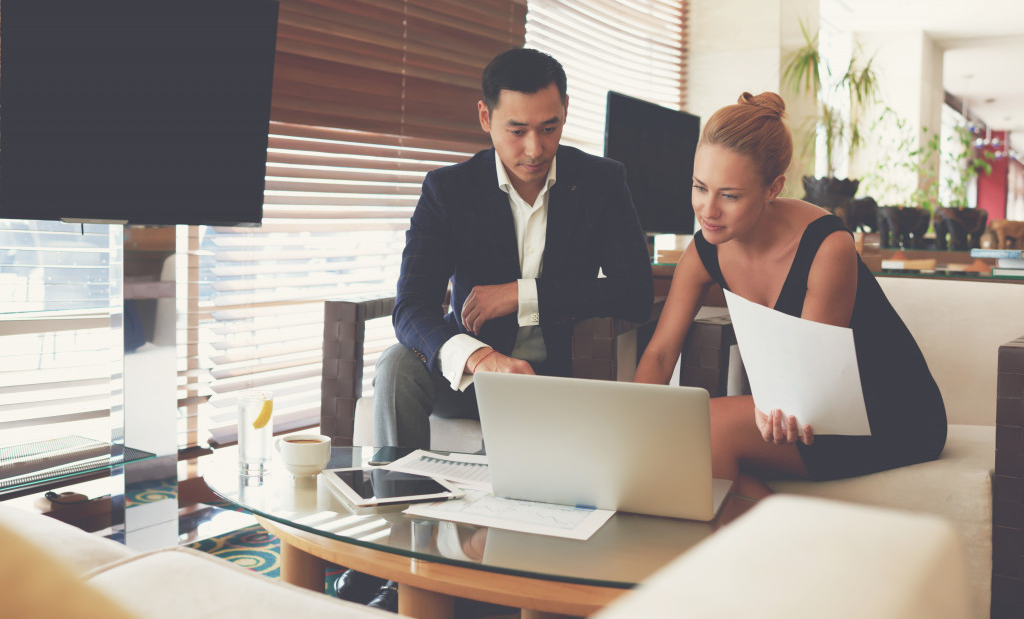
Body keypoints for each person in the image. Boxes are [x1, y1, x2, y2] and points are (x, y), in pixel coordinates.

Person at [633, 91, 947, 499]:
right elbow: (660, 354)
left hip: (888, 413)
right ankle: (782, 542)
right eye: (699, 187)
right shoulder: (705, 248)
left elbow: (810, 390)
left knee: (698, 426)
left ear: (772, 188)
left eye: (729, 195)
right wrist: (634, 424)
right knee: (669, 435)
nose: (708, 209)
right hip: (798, 406)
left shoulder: (827, 245)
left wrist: (769, 410)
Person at [372, 47, 654, 451]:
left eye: (549, 128)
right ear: (486, 117)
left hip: (554, 376)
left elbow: (636, 292)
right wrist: (480, 358)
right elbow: (412, 305)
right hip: (472, 372)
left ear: (566, 110)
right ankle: (397, 494)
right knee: (397, 364)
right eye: (517, 131)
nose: (535, 149)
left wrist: (523, 295)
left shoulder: (602, 182)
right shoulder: (448, 191)